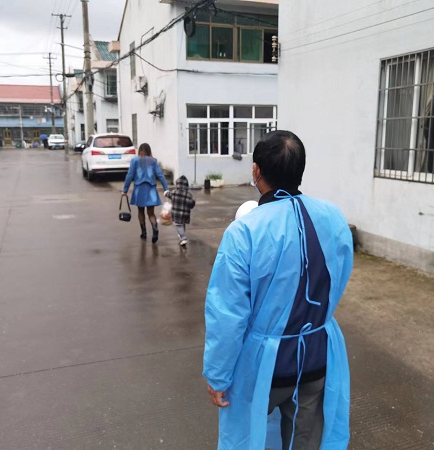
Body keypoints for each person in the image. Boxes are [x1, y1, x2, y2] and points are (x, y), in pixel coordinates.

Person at [203, 130, 353, 450]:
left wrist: (218, 375)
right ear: (300, 170)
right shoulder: (333, 218)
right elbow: (339, 277)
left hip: (264, 367)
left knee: (247, 438)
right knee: (305, 441)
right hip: (317, 358)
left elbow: (227, 314)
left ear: (256, 171)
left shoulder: (245, 231)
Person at [122, 143, 169, 243]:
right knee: (151, 213)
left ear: (139, 151)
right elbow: (160, 175)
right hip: (151, 190)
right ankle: (155, 228)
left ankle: (144, 233)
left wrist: (125, 190)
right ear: (149, 151)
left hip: (139, 190)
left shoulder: (135, 161)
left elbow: (129, 175)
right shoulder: (153, 161)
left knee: (141, 211)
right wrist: (166, 189)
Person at [164, 175, 195, 246]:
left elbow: (168, 194)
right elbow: (192, 204)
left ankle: (183, 238)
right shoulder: (189, 195)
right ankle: (181, 234)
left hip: (177, 213)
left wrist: (165, 193)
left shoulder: (174, 192)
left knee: (178, 225)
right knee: (182, 224)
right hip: (185, 213)